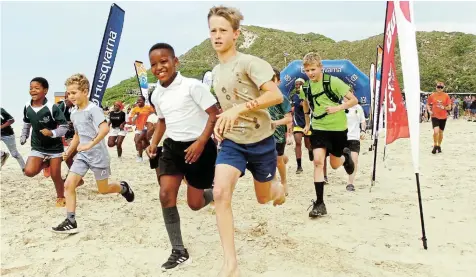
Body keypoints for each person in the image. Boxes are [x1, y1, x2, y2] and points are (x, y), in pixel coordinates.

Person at [208, 6, 286, 276]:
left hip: (261, 140)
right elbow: (228, 105)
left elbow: (276, 96)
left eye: (222, 30)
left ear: (236, 34)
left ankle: (278, 189)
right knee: (220, 193)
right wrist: (221, 121)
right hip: (232, 143)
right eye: (213, 30)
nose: (217, 35)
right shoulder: (216, 71)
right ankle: (231, 265)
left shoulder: (250, 63)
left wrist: (239, 110)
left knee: (264, 198)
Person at [145, 43, 219, 270]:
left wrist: (200, 142)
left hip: (201, 149)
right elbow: (162, 121)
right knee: (166, 194)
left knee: (195, 204)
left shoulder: (192, 86)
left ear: (175, 61)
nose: (159, 67)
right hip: (172, 149)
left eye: (164, 61)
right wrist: (154, 143)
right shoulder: (156, 93)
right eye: (154, 64)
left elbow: (214, 114)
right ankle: (178, 250)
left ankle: (212, 193)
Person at [52, 73, 134, 234]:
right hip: (82, 156)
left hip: (98, 156)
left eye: (74, 92)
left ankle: (123, 188)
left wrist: (90, 143)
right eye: (68, 93)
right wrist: (69, 151)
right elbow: (77, 134)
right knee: (68, 185)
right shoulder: (74, 113)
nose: (71, 96)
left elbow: (105, 129)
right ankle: (71, 220)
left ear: (85, 91)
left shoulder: (93, 109)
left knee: (103, 190)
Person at [300, 52, 357, 218]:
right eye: (307, 70)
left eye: (313, 69)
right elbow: (305, 102)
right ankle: (319, 203)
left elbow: (353, 100)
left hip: (337, 128)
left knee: (334, 164)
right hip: (318, 127)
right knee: (318, 161)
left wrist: (337, 108)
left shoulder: (333, 82)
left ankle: (346, 157)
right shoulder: (306, 87)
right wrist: (307, 123)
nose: (310, 73)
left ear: (320, 68)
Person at [21, 77, 68, 207]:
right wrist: (24, 135)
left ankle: (60, 197)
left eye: (37, 88)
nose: (33, 91)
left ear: (45, 90)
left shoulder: (52, 107)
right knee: (29, 172)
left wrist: (52, 133)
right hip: (37, 146)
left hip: (54, 148)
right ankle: (46, 163)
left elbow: (64, 127)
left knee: (55, 176)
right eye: (31, 88)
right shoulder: (27, 106)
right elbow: (27, 122)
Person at [269, 68, 292, 195]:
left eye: (273, 80)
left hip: (278, 135)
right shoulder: (260, 97)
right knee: (269, 160)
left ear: (279, 81)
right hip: (263, 135)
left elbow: (288, 118)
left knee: (277, 160)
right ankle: (274, 183)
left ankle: (284, 182)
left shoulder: (282, 98)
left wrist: (275, 123)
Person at [290, 78, 314, 174]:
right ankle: (299, 166)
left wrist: (305, 103)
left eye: (300, 84)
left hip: (307, 123)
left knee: (307, 144)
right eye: (296, 84)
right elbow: (292, 109)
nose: (298, 86)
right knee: (298, 142)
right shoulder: (294, 96)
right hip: (297, 123)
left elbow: (309, 107)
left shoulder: (309, 96)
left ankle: (310, 150)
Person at [344, 96, 366, 191]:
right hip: (342, 136)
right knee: (342, 159)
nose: (347, 98)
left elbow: (363, 121)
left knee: (354, 160)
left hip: (354, 137)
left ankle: (350, 183)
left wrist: (363, 131)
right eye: (345, 96)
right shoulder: (340, 106)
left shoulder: (358, 107)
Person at [426, 82, 451, 154]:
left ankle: (439, 145)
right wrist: (429, 110)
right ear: (436, 87)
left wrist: (444, 107)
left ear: (443, 88)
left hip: (443, 116)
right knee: (436, 131)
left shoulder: (446, 96)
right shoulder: (432, 95)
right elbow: (428, 104)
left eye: (441, 87)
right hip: (434, 116)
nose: (439, 89)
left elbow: (449, 107)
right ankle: (435, 145)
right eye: (438, 87)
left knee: (440, 132)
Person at [129, 96, 155, 162]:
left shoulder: (148, 107)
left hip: (146, 128)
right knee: (142, 142)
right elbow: (132, 121)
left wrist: (150, 120)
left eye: (140, 100)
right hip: (138, 128)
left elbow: (154, 113)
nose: (138, 102)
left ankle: (140, 156)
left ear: (144, 101)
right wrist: (136, 115)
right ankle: (150, 151)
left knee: (138, 140)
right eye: (137, 101)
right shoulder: (135, 109)